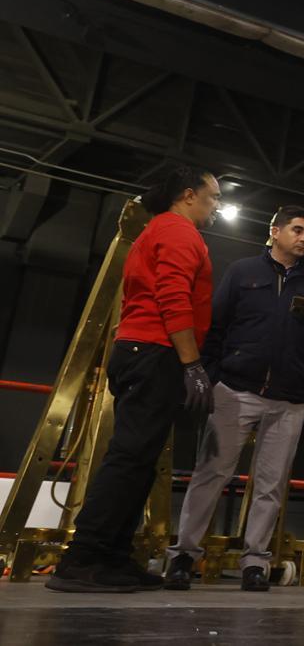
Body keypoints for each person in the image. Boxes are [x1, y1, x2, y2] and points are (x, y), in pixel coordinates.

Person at [47, 166, 221, 593]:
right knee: (129, 459)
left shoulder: (161, 230)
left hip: (145, 352)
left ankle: (111, 557)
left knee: (140, 461)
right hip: (155, 352)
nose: (216, 205)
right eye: (213, 196)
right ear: (187, 195)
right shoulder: (180, 233)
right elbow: (173, 298)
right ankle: (82, 559)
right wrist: (192, 365)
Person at [163, 206, 304, 592]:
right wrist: (211, 377)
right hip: (236, 390)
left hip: (288, 398)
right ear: (274, 232)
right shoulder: (243, 272)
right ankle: (182, 558)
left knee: (272, 484)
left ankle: (255, 563)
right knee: (211, 474)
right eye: (297, 230)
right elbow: (216, 324)